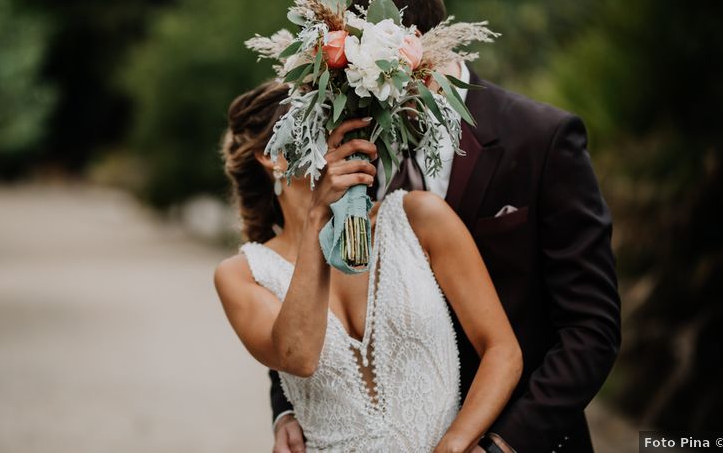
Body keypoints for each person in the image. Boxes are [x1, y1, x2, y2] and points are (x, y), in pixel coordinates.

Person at [256, 0, 622, 453]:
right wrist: (287, 406)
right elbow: (301, 272)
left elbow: (593, 329)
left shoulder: (541, 141)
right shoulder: (342, 142)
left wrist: (500, 445)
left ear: (408, 46)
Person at [215, 80, 523, 452]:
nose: (337, 136)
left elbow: (502, 350)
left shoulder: (419, 219)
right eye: (317, 122)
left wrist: (457, 443)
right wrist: (317, 218)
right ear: (272, 156)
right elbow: (298, 356)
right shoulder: (242, 274)